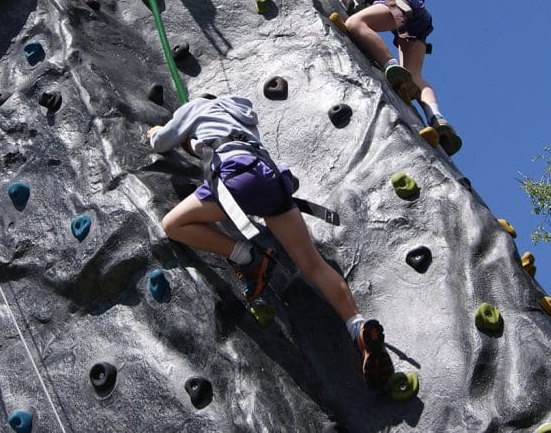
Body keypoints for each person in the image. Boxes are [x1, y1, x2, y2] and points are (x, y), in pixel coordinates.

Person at [147, 93, 394, 389]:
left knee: (172, 224)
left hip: (235, 175)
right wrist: (195, 143)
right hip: (269, 176)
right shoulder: (242, 113)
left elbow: (163, 142)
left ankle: (247, 257)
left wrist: (153, 134)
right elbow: (207, 140)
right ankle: (358, 326)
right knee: (312, 263)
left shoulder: (195, 107)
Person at [290, 0, 462, 155]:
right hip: (412, 14)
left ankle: (390, 66)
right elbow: (357, 6)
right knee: (414, 76)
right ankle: (437, 117)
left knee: (355, 24)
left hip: (397, 2)